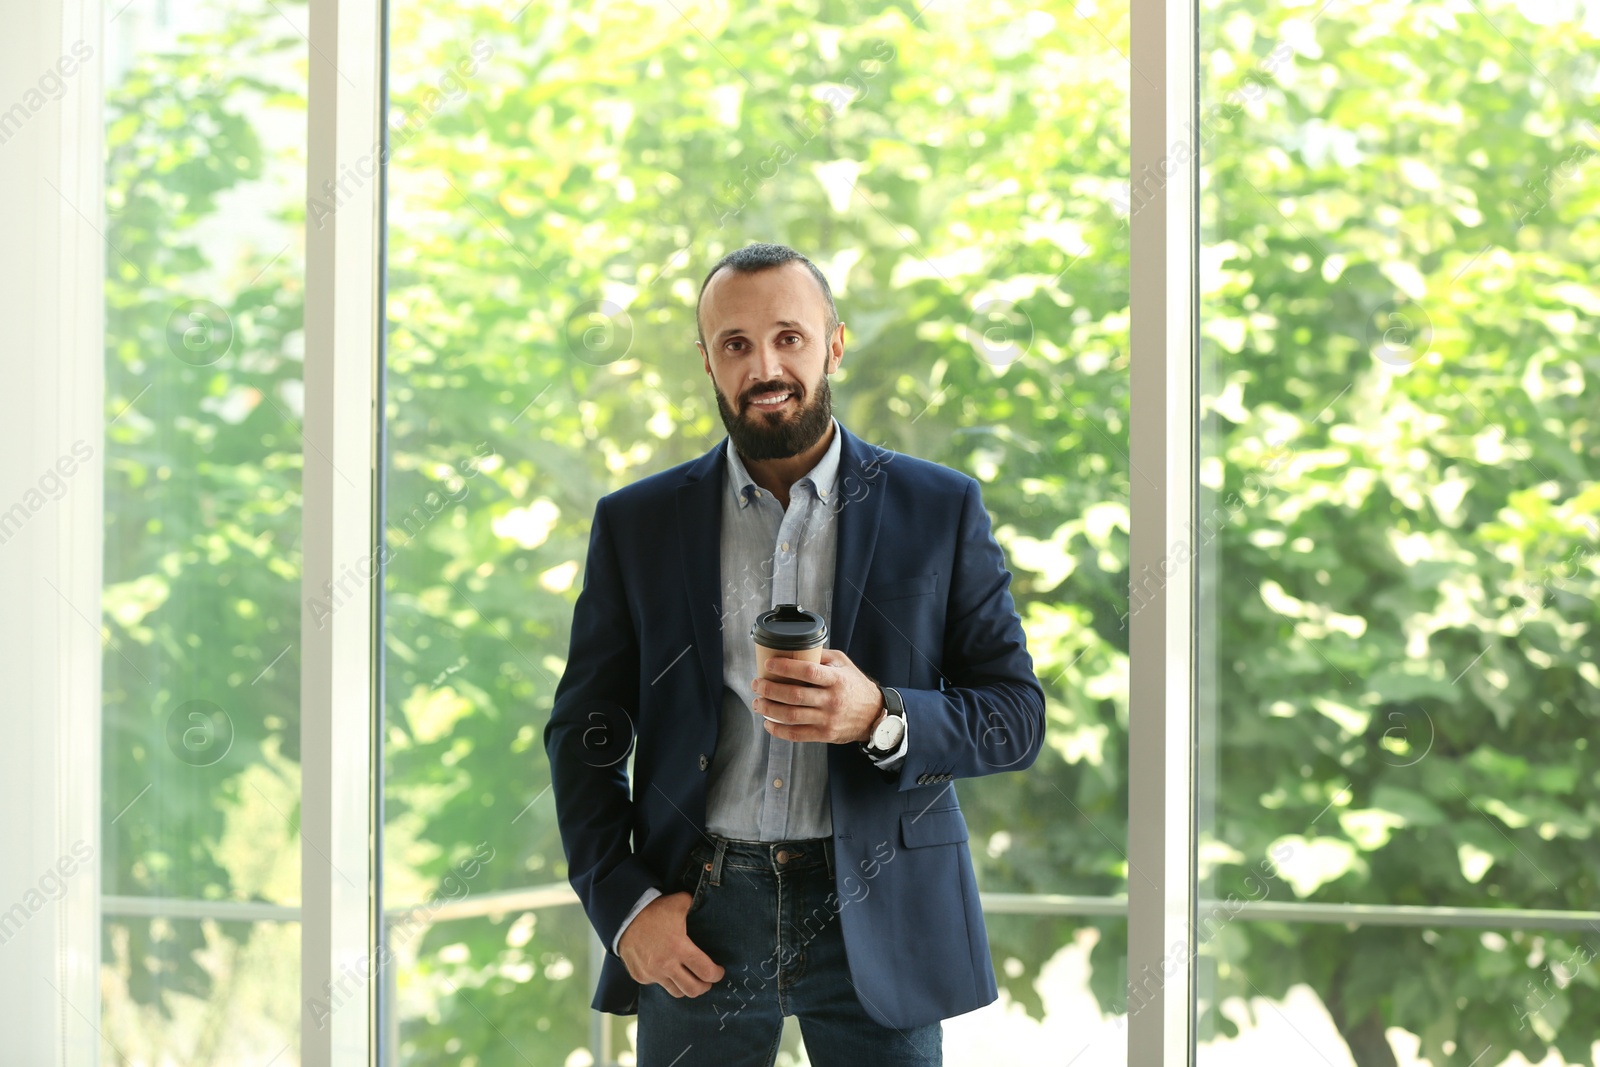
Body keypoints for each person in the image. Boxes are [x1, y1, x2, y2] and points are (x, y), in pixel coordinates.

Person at [544, 242, 1045, 1066]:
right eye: (735, 344)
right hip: (698, 913)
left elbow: (1015, 716)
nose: (765, 365)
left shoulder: (941, 507)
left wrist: (879, 716)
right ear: (706, 360)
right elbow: (583, 735)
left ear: (834, 343)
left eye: (789, 336)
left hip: (879, 910)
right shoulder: (635, 524)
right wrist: (627, 907)